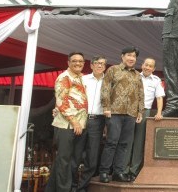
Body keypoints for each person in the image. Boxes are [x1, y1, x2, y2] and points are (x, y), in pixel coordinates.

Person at [99, 46, 144, 183]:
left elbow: (140, 94)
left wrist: (140, 111)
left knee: (124, 144)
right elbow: (105, 89)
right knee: (112, 142)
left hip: (130, 114)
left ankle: (118, 172)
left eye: (134, 56)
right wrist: (106, 107)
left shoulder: (137, 75)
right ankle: (104, 172)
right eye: (129, 55)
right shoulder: (113, 70)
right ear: (122, 56)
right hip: (114, 112)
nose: (131, 58)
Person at [45, 52, 88, 192]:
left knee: (65, 160)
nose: (78, 63)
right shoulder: (64, 77)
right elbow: (61, 102)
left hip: (78, 125)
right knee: (64, 161)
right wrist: (74, 122)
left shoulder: (81, 78)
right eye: (74, 61)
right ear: (68, 62)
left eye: (81, 61)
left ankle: (51, 189)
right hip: (66, 125)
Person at [125, 57, 165, 181]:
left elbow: (159, 97)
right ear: (142, 65)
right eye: (146, 65)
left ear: (154, 68)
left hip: (145, 111)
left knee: (138, 142)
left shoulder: (156, 80)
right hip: (130, 111)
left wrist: (158, 112)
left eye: (150, 66)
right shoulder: (134, 76)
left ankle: (133, 171)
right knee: (127, 141)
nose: (147, 67)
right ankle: (123, 170)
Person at [71, 55, 107, 192]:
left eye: (102, 64)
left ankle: (82, 187)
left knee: (92, 159)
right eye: (97, 63)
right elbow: (71, 97)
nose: (99, 66)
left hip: (98, 121)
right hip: (80, 119)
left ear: (105, 66)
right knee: (76, 155)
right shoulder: (83, 79)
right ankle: (73, 187)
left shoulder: (109, 82)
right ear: (91, 65)